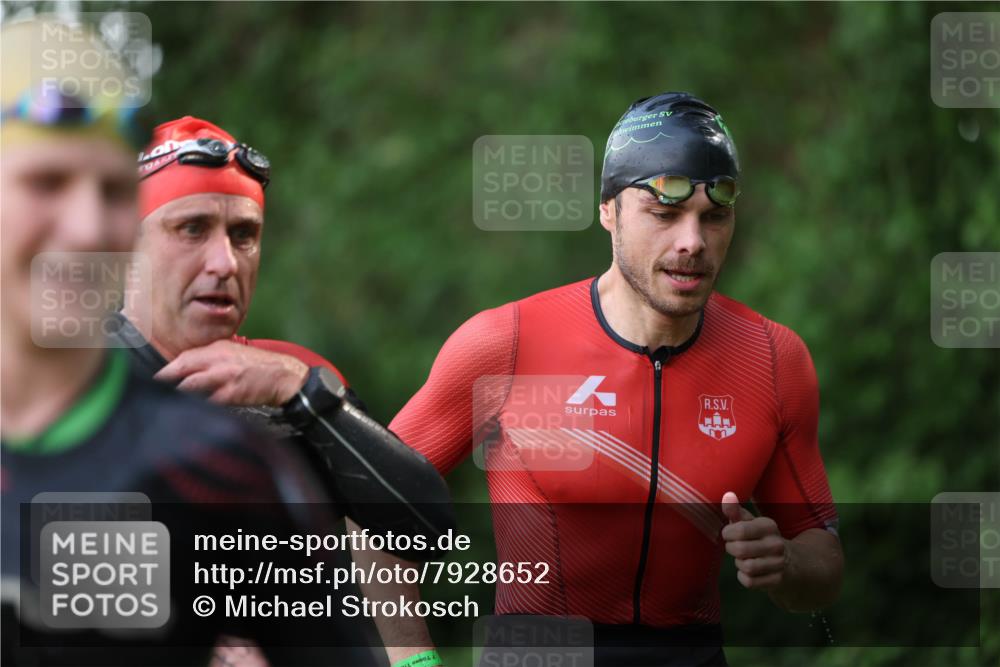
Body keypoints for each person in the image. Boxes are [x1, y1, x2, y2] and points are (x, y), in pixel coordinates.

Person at [362, 92, 844, 667]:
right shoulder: (508, 343)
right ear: (608, 211)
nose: (692, 241)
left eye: (713, 216)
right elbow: (367, 508)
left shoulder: (770, 358)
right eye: (664, 214)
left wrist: (787, 565)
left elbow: (824, 556)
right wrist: (414, 662)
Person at [0, 19, 342, 667]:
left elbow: (411, 540)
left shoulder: (221, 458)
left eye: (105, 193)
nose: (80, 226)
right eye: (44, 184)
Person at [116, 115, 456, 666]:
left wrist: (301, 394)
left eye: (244, 234)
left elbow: (426, 531)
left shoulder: (293, 378)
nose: (224, 263)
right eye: (192, 229)